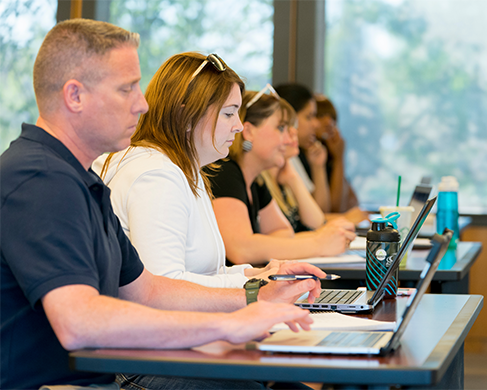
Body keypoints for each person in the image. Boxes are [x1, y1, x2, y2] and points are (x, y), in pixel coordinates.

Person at [0, 19, 325, 390]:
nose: (143, 104)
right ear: (75, 96)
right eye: (127, 89)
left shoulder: (80, 178)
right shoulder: (40, 180)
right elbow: (77, 322)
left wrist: (257, 291)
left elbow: (148, 290)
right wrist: (227, 322)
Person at [93, 52, 280, 288]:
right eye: (229, 113)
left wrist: (261, 274)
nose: (239, 126)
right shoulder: (156, 175)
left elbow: (204, 273)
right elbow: (164, 286)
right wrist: (254, 286)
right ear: (187, 116)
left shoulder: (181, 167)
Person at [207, 87, 356, 266]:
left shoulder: (255, 181)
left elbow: (283, 232)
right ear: (248, 132)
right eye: (280, 128)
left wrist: (260, 245)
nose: (288, 140)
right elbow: (241, 249)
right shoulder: (225, 172)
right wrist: (319, 243)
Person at [259, 99, 326, 233]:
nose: (293, 133)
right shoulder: (260, 182)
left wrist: (293, 180)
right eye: (282, 127)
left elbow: (317, 223)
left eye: (293, 126)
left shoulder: (284, 176)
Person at [274, 83, 331, 213]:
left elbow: (317, 212)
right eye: (309, 116)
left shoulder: (293, 156)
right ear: (288, 118)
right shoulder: (280, 157)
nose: (316, 124)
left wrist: (318, 167)